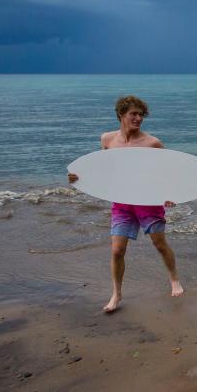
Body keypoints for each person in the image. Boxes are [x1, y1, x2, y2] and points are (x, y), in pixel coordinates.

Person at [68, 95, 183, 313]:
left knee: (159, 244)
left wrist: (169, 193)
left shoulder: (153, 143)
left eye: (141, 114)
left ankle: (174, 279)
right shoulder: (108, 140)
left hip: (148, 200)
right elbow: (102, 168)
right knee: (117, 251)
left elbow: (167, 171)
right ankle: (116, 294)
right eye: (134, 114)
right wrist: (79, 178)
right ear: (121, 114)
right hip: (122, 202)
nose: (138, 118)